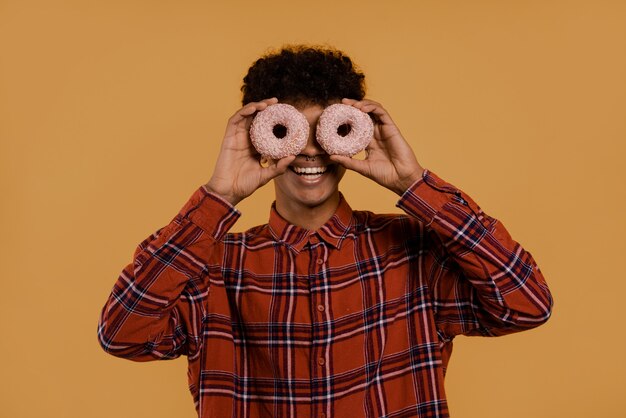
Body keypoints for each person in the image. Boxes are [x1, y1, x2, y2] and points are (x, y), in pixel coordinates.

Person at [98, 45, 553, 418]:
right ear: (261, 140)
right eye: (289, 131)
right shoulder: (214, 267)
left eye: (328, 130)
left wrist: (414, 185)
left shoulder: (414, 253)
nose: (312, 149)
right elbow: (122, 333)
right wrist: (218, 196)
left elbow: (527, 304)